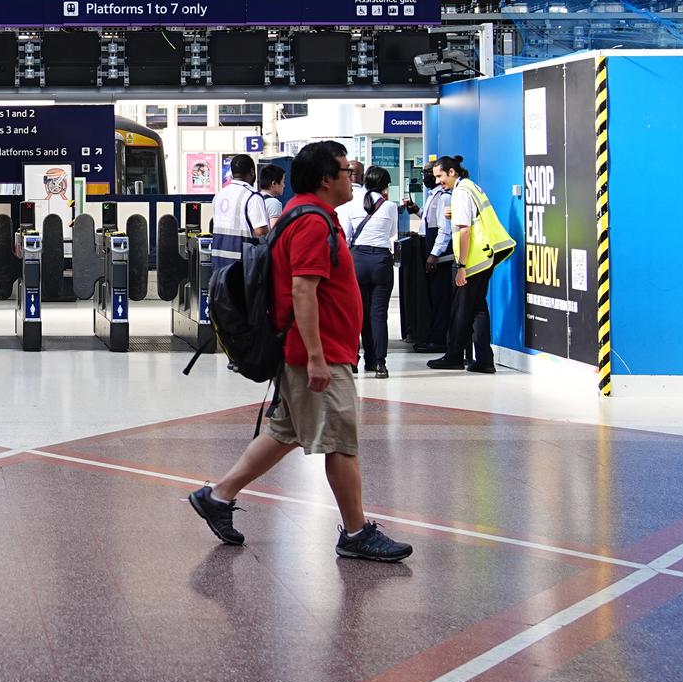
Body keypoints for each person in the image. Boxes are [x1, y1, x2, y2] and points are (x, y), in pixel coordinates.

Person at [188, 141, 413, 563]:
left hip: (316, 350)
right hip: (320, 352)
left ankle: (218, 497)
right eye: (347, 170)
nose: (354, 177)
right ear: (327, 179)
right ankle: (356, 532)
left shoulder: (304, 213)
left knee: (283, 433)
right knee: (342, 444)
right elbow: (302, 291)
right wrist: (315, 357)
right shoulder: (311, 222)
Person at [428, 155, 516, 374]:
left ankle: (454, 356)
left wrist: (462, 266)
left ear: (451, 172)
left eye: (440, 176)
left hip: (473, 260)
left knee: (460, 310)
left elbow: (465, 230)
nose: (438, 181)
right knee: (477, 309)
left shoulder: (460, 192)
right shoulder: (470, 187)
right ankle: (484, 359)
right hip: (483, 258)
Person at [351, 166, 399, 379]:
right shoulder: (390, 206)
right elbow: (392, 233)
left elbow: (346, 234)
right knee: (378, 314)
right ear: (385, 186)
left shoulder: (352, 204)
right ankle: (379, 363)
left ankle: (354, 360)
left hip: (358, 260)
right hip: (381, 260)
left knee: (357, 313)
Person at [411, 161, 454, 351]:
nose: (428, 177)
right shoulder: (433, 195)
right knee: (433, 297)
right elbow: (430, 222)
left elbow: (443, 230)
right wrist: (417, 211)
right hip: (431, 250)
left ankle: (438, 339)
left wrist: (434, 255)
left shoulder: (444, 196)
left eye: (431, 174)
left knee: (440, 298)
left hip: (440, 256)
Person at [209, 153, 268, 265]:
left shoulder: (219, 195)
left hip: (218, 261)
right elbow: (260, 231)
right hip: (242, 263)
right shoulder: (252, 196)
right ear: (252, 172)